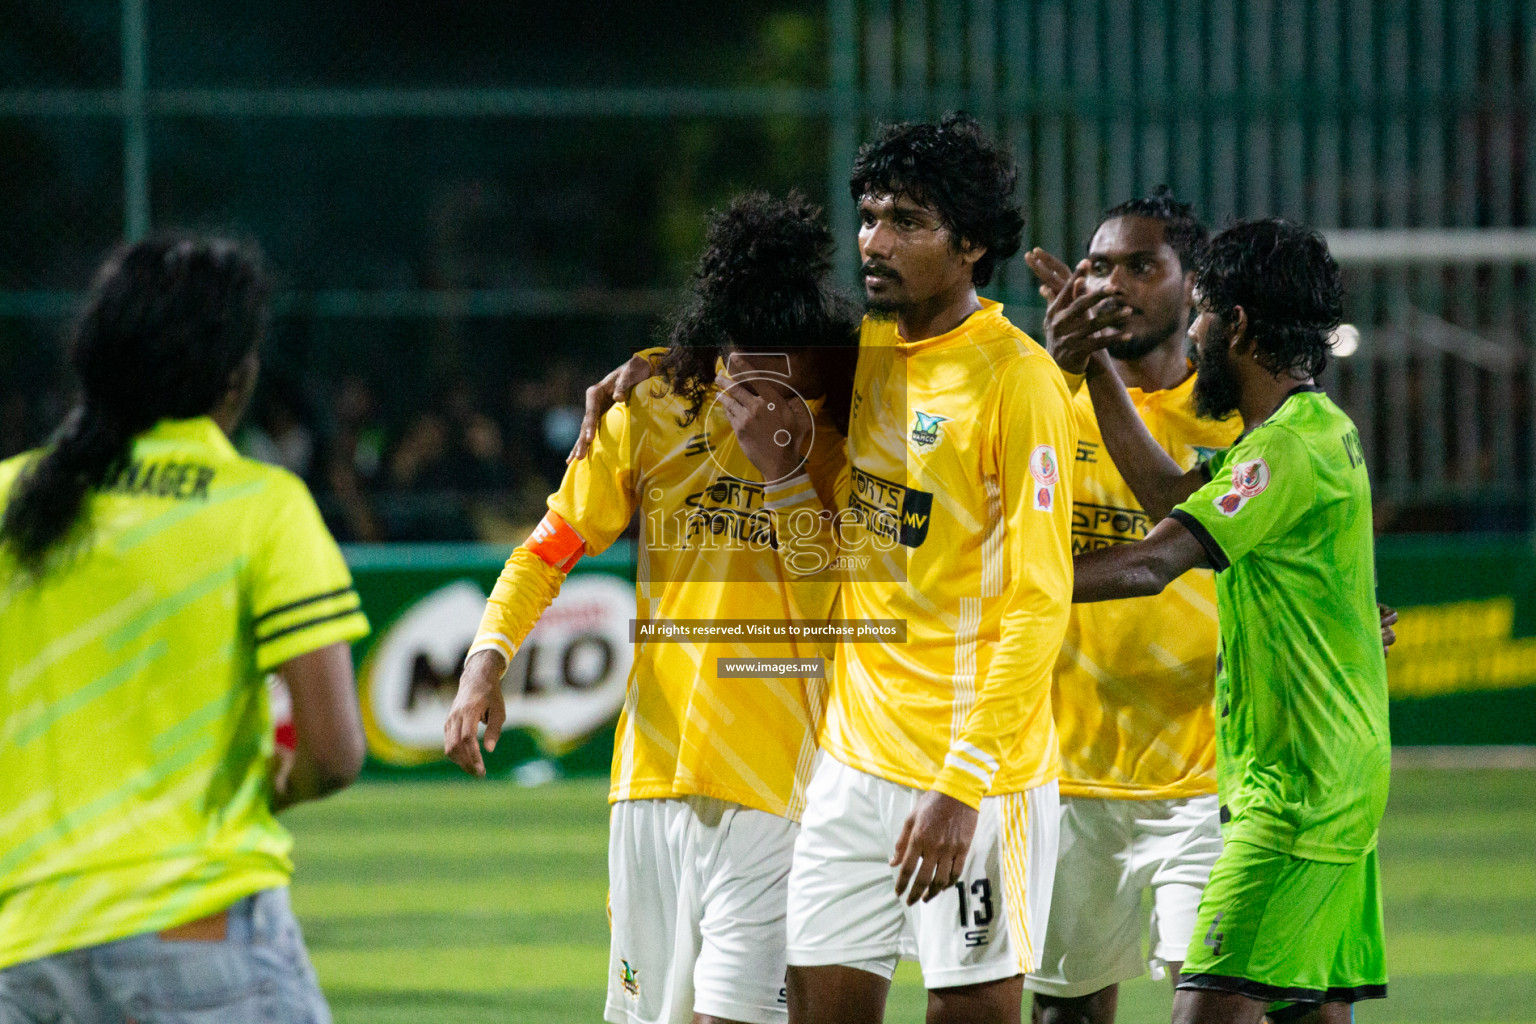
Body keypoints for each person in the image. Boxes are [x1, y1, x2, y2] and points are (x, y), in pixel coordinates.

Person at [443, 192, 858, 1024]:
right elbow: (548, 549)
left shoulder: (847, 431)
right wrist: (482, 663)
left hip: (782, 787)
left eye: (776, 348)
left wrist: (781, 475)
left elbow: (838, 610)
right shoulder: (654, 408)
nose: (754, 371)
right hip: (650, 781)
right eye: (740, 344)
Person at [716, 113, 1073, 1024]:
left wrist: (962, 786)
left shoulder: (1016, 380)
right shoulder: (863, 352)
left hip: (972, 776)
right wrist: (634, 382)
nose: (875, 240)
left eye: (907, 220)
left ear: (973, 245)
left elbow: (1041, 600)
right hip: (851, 762)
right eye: (870, 215)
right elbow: (849, 537)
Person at [0, 236, 370, 1023]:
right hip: (201, 933)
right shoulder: (260, 508)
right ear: (233, 374)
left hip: (24, 950)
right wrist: (282, 782)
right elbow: (334, 751)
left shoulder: (10, 498)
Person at [1065, 219, 1390, 1024]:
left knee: (1207, 1012)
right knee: (1306, 1011)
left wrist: (1001, 583)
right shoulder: (1311, 433)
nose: (1196, 330)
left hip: (1298, 791)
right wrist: (1101, 368)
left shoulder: (1287, 451)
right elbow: (1173, 502)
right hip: (1328, 774)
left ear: (1237, 324)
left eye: (1205, 310)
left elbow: (1151, 561)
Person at [1016, 190, 1239, 1024]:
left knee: (1216, 1006)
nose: (1115, 284)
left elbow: (1169, 540)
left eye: (1142, 266)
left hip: (1207, 781)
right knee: (1065, 1013)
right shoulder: (1043, 404)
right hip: (1065, 775)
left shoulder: (1237, 417)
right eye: (1098, 267)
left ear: (1192, 286)